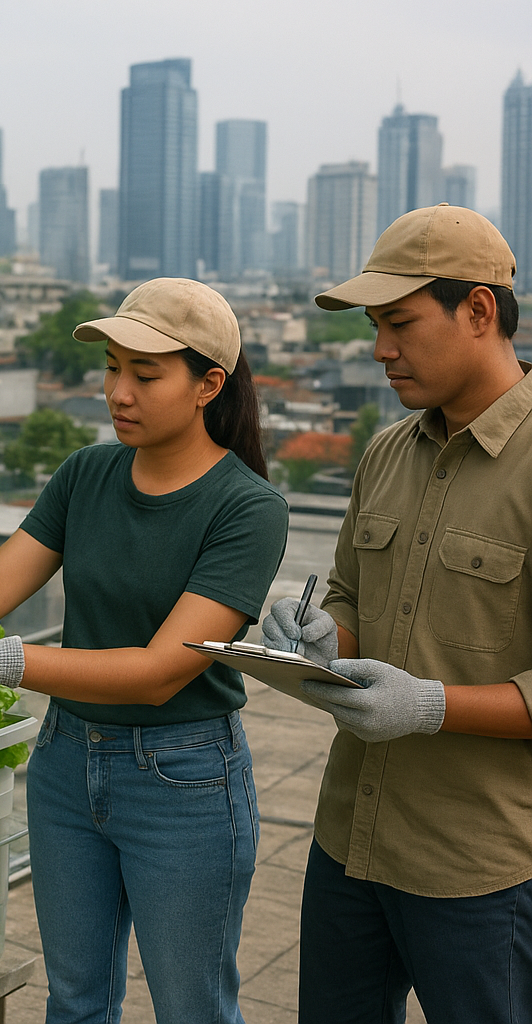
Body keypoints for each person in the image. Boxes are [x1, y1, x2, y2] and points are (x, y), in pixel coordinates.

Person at [0, 277, 289, 1024]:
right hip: (66, 764)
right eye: (111, 370)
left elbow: (161, 672)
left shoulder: (247, 509)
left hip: (183, 782)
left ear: (207, 385)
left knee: (193, 1007)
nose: (117, 392)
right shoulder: (86, 475)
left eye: (145, 374)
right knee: (77, 1000)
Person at [261, 203, 532, 1024]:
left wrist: (429, 706)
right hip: (348, 840)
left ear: (479, 311)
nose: (380, 350)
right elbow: (349, 602)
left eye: (400, 324)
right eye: (376, 327)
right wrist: (315, 636)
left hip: (480, 869)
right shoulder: (385, 452)